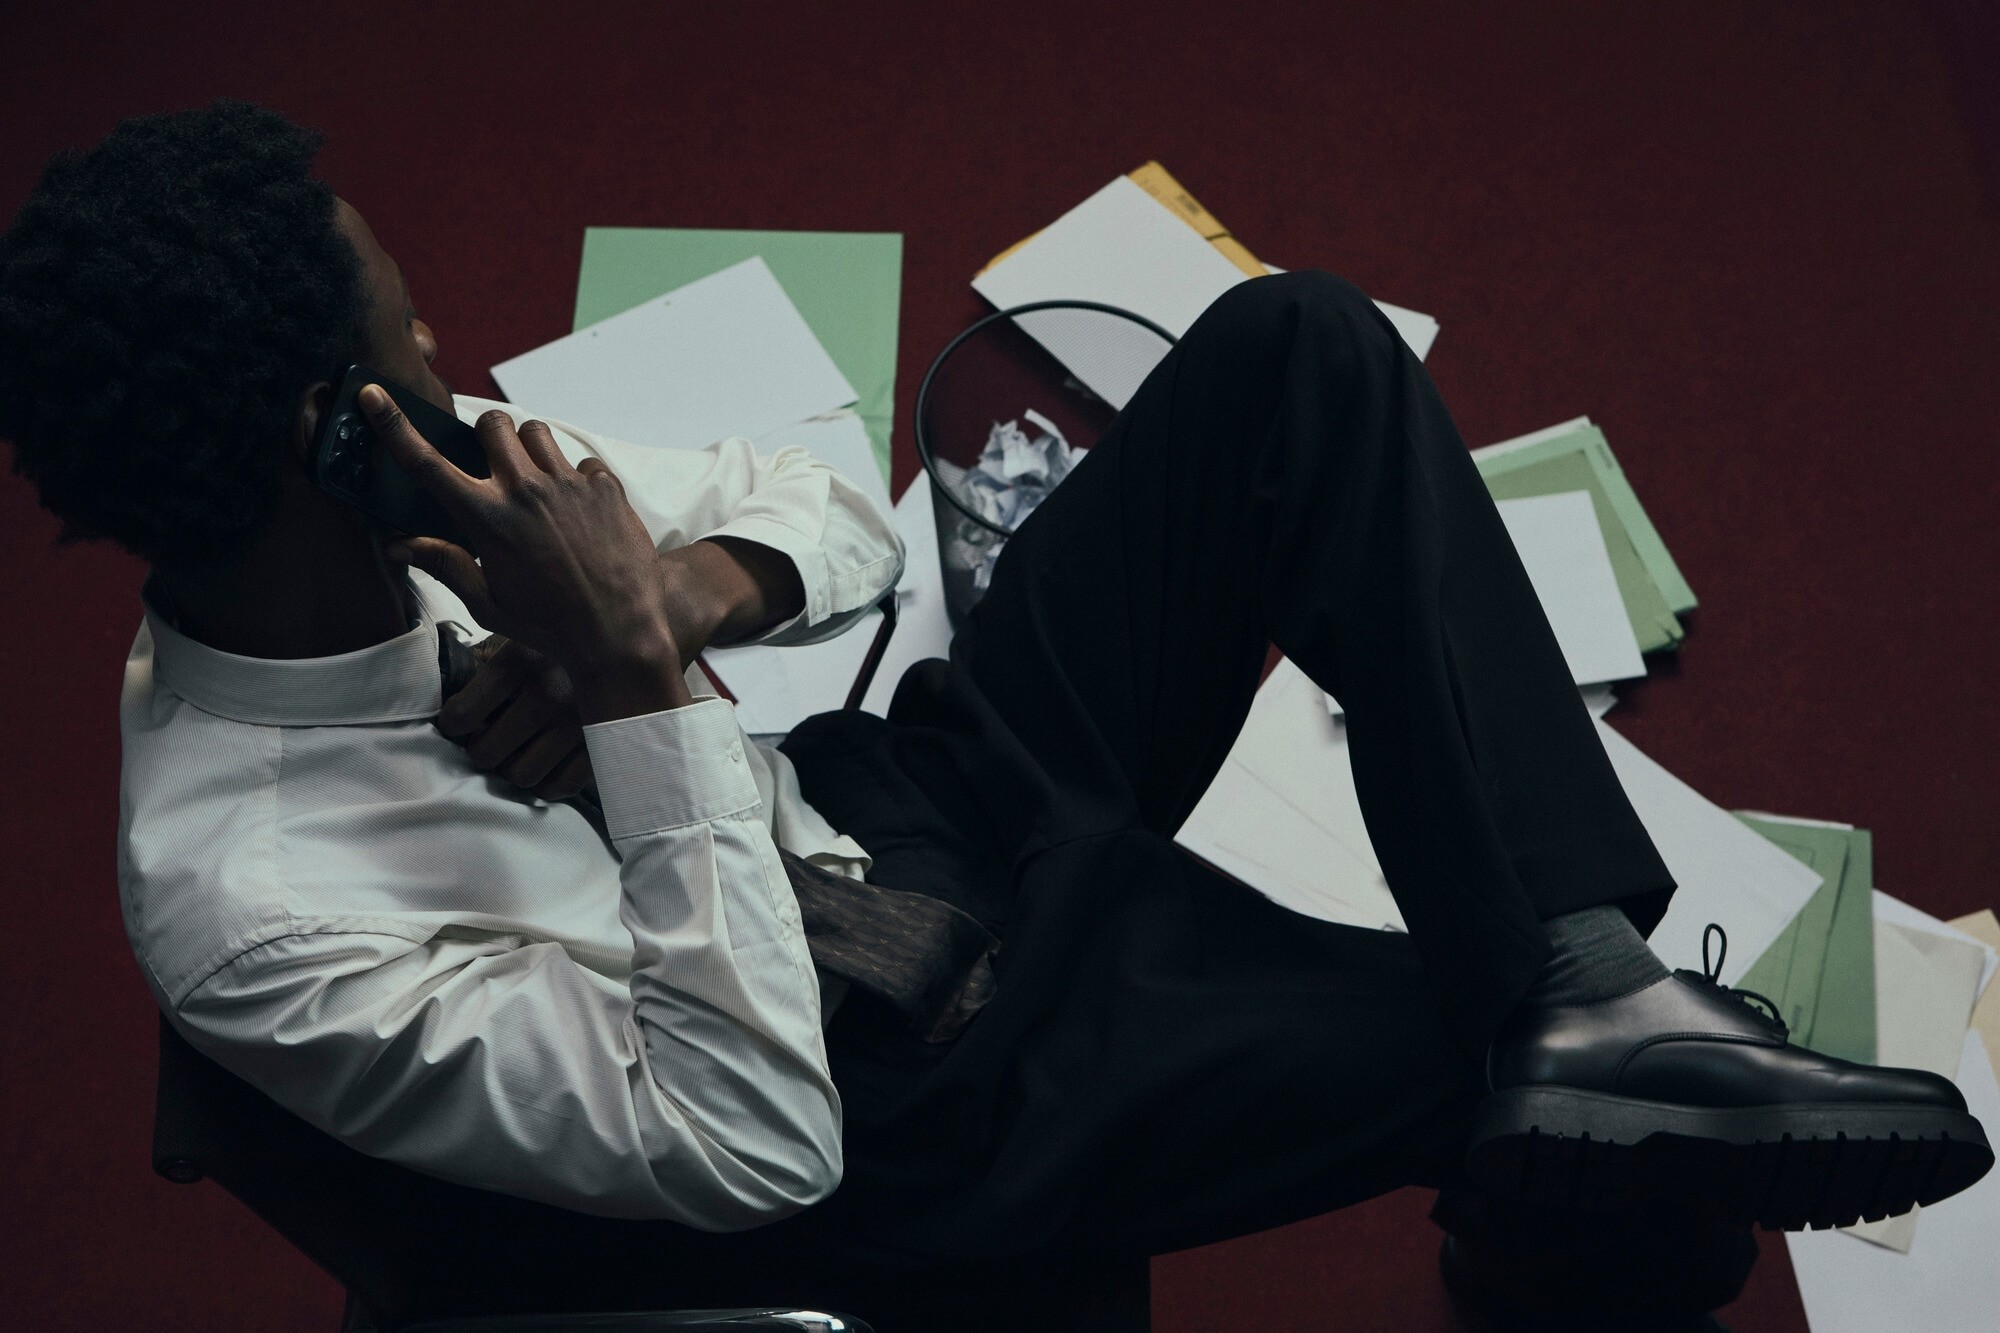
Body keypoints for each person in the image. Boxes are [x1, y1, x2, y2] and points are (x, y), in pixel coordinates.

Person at [1, 102, 1987, 1332]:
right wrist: (630, 687)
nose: (452, 357)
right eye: (413, 341)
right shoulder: (246, 899)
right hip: (890, 1103)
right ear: (327, 432)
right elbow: (750, 1136)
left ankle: (1587, 988)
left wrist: (683, 594)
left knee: (1296, 348)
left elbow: (828, 518)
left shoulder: (422, 497)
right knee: (1493, 1064)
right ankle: (1572, 1202)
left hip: (879, 814)